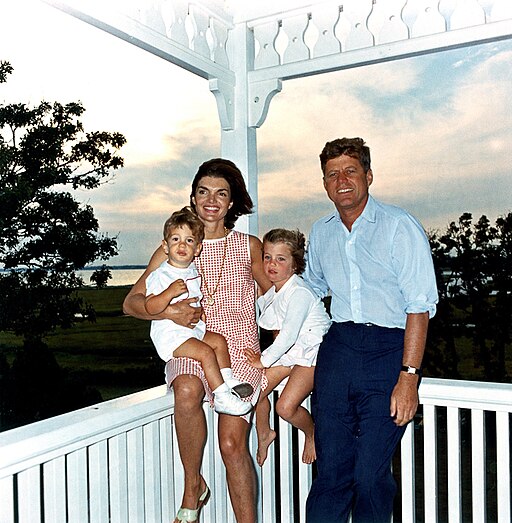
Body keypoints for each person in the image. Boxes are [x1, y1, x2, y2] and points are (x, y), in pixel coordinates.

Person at [123, 159, 271, 523]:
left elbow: (278, 299)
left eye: (221, 193)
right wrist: (168, 313)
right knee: (187, 389)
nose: (211, 200)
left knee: (233, 445)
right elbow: (130, 303)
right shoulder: (178, 245)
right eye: (203, 191)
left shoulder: (250, 246)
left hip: (237, 351)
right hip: (192, 341)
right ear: (192, 197)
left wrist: (281, 352)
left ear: (232, 202)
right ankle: (192, 487)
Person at [304, 137, 438, 523]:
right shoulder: (322, 231)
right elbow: (310, 292)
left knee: (369, 475)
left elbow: (419, 306)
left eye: (350, 170)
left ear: (369, 175)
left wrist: (408, 377)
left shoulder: (399, 226)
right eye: (332, 174)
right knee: (330, 471)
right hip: (338, 351)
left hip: (387, 352)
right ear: (325, 183)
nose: (341, 180)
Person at [145, 206, 253, 416]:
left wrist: (199, 310)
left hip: (191, 331)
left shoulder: (191, 270)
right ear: (165, 246)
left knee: (218, 341)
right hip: (171, 337)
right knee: (205, 352)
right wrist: (168, 294)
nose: (182, 245)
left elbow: (192, 298)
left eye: (189, 241)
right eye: (175, 239)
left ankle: (228, 380)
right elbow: (150, 307)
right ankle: (222, 397)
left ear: (197, 249)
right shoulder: (161, 275)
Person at [245, 228, 331, 467]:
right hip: (290, 355)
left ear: (295, 265)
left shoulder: (300, 293)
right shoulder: (275, 291)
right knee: (254, 391)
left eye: (281, 259)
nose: (272, 264)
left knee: (284, 407)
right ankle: (265, 433)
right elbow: (270, 319)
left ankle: (311, 431)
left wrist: (262, 361)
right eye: (267, 257)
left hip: (310, 354)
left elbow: (288, 336)